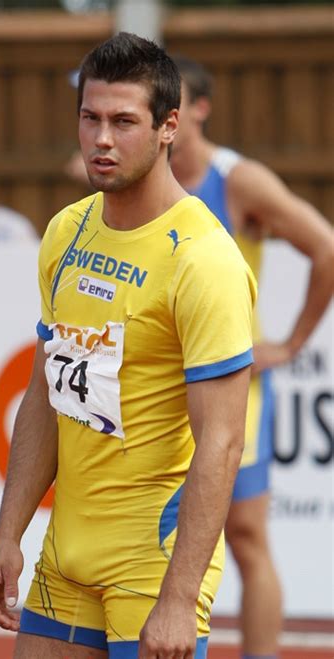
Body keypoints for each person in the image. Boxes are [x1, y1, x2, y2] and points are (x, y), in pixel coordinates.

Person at [0, 33, 257, 659]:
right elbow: (47, 396)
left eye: (124, 122)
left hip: (151, 564)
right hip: (65, 553)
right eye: (91, 118)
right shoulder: (66, 231)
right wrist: (7, 536)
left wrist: (180, 599)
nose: (103, 139)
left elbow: (223, 440)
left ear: (168, 128)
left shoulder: (203, 259)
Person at [169, 55, 334, 659]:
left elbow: (326, 248)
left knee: (243, 534)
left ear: (201, 110)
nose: (164, 113)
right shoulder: (140, 176)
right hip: (157, 387)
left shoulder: (238, 181)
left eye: (175, 101)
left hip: (228, 385)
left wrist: (291, 344)